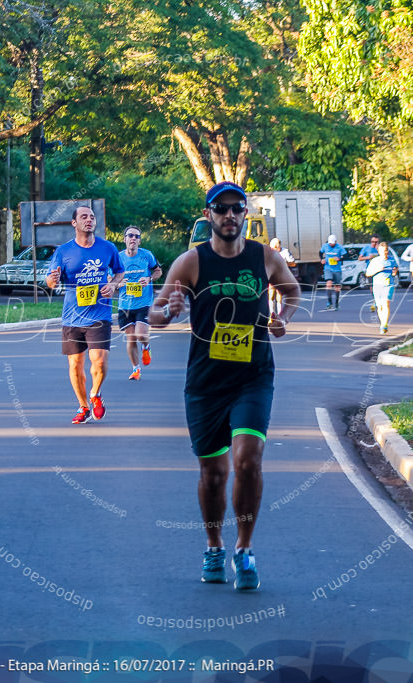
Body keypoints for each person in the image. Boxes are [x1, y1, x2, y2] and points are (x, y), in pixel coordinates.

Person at [149, 180, 300, 591]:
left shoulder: (264, 257)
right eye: (222, 209)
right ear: (209, 216)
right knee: (213, 473)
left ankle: (244, 549)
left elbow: (292, 290)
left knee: (248, 460)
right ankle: (214, 546)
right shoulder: (191, 263)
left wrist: (283, 317)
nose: (230, 216)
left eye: (237, 208)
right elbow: (155, 313)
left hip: (253, 376)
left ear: (246, 214)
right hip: (205, 382)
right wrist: (170, 310)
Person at [45, 206, 125, 423]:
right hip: (72, 316)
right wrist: (53, 279)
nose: (89, 220)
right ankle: (83, 407)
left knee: (98, 362)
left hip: (100, 314)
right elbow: (51, 282)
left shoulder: (107, 248)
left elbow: (119, 272)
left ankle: (95, 394)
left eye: (92, 217)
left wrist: (113, 285)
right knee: (75, 365)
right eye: (84, 217)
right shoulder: (63, 251)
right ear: (74, 223)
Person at [118, 226, 162, 381]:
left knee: (140, 334)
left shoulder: (146, 255)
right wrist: (119, 282)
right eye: (130, 235)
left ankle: (146, 346)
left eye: (136, 236)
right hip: (125, 305)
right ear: (124, 239)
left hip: (144, 302)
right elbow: (110, 279)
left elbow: (158, 271)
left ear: (140, 240)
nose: (133, 239)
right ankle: (136, 369)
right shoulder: (118, 258)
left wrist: (149, 278)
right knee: (131, 339)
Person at [365, 241, 397, 334]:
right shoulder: (375, 261)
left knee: (386, 303)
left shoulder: (391, 260)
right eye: (382, 251)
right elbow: (368, 273)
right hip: (377, 285)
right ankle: (382, 323)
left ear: (387, 251)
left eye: (386, 250)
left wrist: (394, 272)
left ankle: (384, 324)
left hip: (388, 284)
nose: (384, 252)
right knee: (379, 306)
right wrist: (378, 269)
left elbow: (395, 269)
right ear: (379, 251)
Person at [268, 238, 296, 315]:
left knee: (279, 296)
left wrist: (284, 264)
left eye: (274, 248)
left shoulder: (285, 252)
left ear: (278, 247)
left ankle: (280, 314)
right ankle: (272, 314)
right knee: (271, 296)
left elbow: (293, 263)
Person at [319, 234, 347, 310]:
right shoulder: (325, 246)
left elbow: (345, 255)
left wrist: (339, 259)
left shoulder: (339, 247)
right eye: (330, 243)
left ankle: (337, 303)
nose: (331, 244)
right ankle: (329, 303)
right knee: (329, 284)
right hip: (328, 268)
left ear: (335, 242)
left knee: (337, 286)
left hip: (337, 269)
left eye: (332, 243)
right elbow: (320, 252)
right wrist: (322, 259)